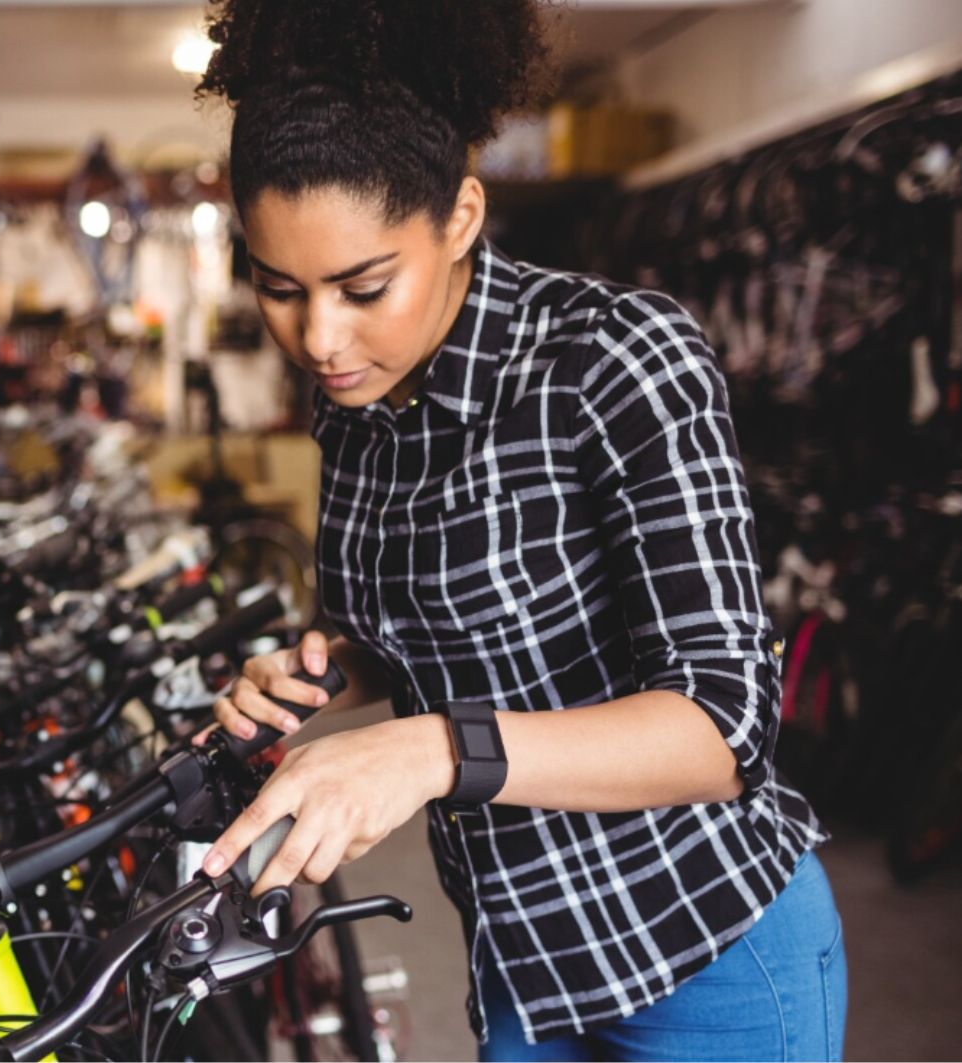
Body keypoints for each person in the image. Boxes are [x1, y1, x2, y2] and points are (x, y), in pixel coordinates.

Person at [189, 2, 846, 1059]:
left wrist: (432, 750)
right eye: (278, 289)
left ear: (459, 219)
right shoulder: (356, 396)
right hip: (523, 957)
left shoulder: (615, 360)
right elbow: (437, 627)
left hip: (707, 954)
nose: (318, 338)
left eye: (364, 287)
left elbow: (724, 724)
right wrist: (324, 676)